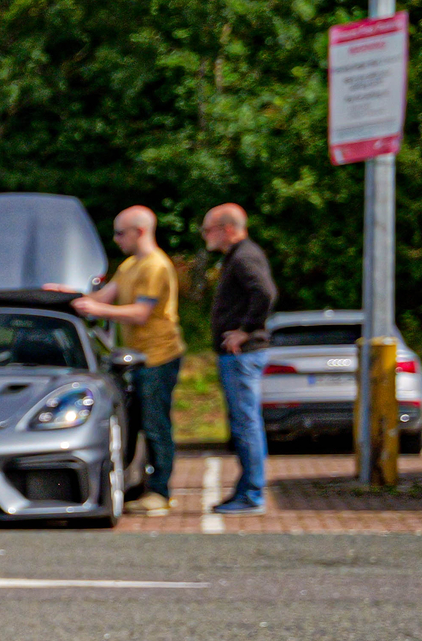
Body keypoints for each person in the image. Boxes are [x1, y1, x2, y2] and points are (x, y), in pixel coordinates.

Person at [60, 207, 183, 516]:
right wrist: (66, 296)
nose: (116, 240)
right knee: (139, 423)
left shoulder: (155, 266)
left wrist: (97, 310)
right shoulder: (131, 265)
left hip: (158, 357)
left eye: (120, 233)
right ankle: (144, 487)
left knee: (156, 425)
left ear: (139, 232)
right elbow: (103, 297)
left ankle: (161, 492)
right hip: (138, 359)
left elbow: (140, 313)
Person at [202, 203, 277, 516]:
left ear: (228, 228)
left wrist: (244, 330)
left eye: (208, 229)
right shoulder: (238, 256)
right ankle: (247, 489)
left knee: (246, 424)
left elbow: (265, 293)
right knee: (243, 423)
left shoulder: (244, 256)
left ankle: (251, 494)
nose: (204, 235)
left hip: (242, 356)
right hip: (238, 356)